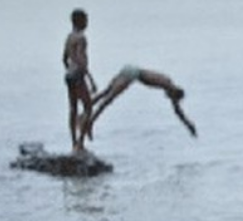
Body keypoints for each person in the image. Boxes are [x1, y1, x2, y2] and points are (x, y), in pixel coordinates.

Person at [84, 65, 198, 141]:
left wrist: (188, 125)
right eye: (171, 98)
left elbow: (177, 109)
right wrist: (189, 125)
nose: (168, 98)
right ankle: (90, 122)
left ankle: (86, 109)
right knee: (108, 100)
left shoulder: (168, 84)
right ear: (173, 93)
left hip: (130, 70)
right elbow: (177, 110)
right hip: (133, 74)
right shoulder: (167, 84)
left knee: (106, 93)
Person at [62, 8, 96, 152]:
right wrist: (90, 78)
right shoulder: (81, 38)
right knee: (88, 107)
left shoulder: (69, 37)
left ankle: (73, 141)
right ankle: (80, 142)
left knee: (73, 108)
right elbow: (80, 59)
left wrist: (70, 69)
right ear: (80, 21)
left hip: (69, 76)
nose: (87, 23)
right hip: (78, 75)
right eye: (85, 20)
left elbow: (64, 58)